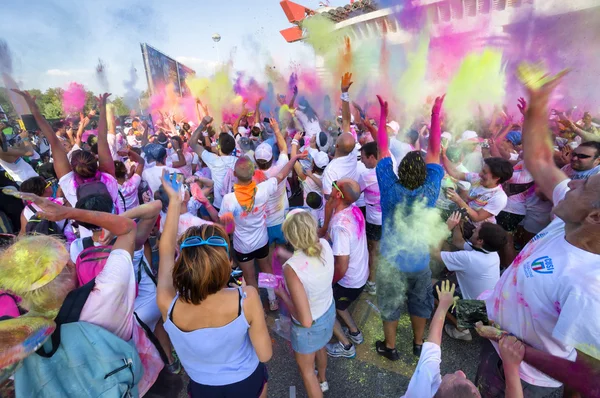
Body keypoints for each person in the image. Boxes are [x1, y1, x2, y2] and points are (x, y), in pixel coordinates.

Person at [475, 72, 600, 397]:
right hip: (495, 341)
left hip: (525, 379)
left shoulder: (589, 288)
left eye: (583, 185)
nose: (570, 180)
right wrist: (537, 106)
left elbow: (587, 377)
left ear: (595, 216)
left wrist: (520, 355)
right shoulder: (570, 218)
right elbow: (541, 159)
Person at [0, 196, 163, 395]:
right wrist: (69, 212)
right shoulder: (106, 292)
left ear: (18, 291)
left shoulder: (16, 337)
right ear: (69, 266)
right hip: (127, 384)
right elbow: (128, 227)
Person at [157, 172, 272, 398]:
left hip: (202, 387)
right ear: (228, 263)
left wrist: (173, 201)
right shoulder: (246, 298)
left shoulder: (167, 302)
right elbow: (265, 354)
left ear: (184, 262)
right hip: (246, 382)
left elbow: (165, 249)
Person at [375, 94, 445, 359]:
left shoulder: (389, 186)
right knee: (420, 302)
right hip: (419, 262)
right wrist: (436, 114)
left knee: (390, 303)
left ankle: (390, 348)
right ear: (426, 173)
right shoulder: (431, 187)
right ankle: (418, 344)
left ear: (400, 168)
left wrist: (383, 115)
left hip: (392, 260)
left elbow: (382, 148)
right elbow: (435, 151)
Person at [218, 153, 305, 311]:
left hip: (242, 245)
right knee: (266, 269)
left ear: (235, 174)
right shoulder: (263, 189)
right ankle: (273, 300)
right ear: (253, 173)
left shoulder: (229, 200)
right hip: (262, 240)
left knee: (250, 277)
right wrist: (294, 157)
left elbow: (227, 227)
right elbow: (281, 174)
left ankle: (257, 307)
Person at [274, 209, 335, 397]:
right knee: (321, 347)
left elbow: (305, 320)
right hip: (327, 311)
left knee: (307, 372)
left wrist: (281, 293)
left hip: (309, 327)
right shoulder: (324, 244)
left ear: (290, 237)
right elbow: (309, 263)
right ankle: (323, 380)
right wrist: (286, 256)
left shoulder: (291, 269)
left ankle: (317, 383)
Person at [432, 212, 507, 341]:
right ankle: (469, 321)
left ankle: (462, 329)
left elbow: (434, 253)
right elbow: (458, 241)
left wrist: (445, 228)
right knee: (448, 286)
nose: (473, 229)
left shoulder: (470, 258)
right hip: (490, 308)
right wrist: (458, 225)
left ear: (480, 241)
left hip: (476, 312)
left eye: (476, 231)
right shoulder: (491, 253)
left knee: (430, 284)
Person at [401, 281, 481, 398]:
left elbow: (433, 341)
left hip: (479, 307)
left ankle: (461, 328)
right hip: (482, 309)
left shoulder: (423, 383)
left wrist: (443, 304)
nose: (461, 372)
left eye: (455, 379)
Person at [324, 178, 369, 359]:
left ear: (338, 194)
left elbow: (341, 266)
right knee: (341, 305)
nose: (332, 185)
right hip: (360, 275)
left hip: (349, 280)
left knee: (327, 308)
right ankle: (355, 333)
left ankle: (346, 345)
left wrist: (328, 283)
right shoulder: (354, 209)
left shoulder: (340, 226)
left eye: (335, 184)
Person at [444, 156, 513, 225]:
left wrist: (458, 200)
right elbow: (455, 174)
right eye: (482, 170)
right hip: (462, 220)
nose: (480, 174)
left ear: (496, 177)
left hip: (476, 229)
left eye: (484, 172)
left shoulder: (499, 198)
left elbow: (476, 218)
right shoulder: (476, 178)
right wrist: (443, 155)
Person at [254, 119, 290, 249]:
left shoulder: (251, 177)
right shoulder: (280, 167)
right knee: (283, 252)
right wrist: (276, 129)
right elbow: (284, 149)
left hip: (264, 223)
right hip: (282, 219)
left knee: (268, 257)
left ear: (255, 161)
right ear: (272, 158)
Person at [189, 116, 238, 211]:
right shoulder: (238, 161)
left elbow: (192, 143)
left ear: (218, 147)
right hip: (235, 204)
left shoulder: (214, 160)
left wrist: (203, 123)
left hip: (220, 205)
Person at [358, 141, 381, 295]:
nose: (362, 161)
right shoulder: (389, 169)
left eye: (363, 158)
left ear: (372, 157)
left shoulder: (367, 176)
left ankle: (371, 282)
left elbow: (354, 193)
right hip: (387, 217)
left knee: (372, 250)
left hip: (374, 219)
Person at [115, 148, 145, 213]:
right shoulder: (133, 183)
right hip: (137, 215)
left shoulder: (111, 188)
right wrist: (128, 151)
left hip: (123, 218)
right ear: (125, 170)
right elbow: (142, 162)